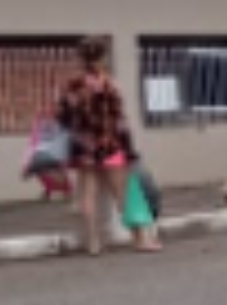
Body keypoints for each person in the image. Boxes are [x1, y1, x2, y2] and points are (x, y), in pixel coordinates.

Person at [55, 38, 160, 257]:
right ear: (102, 57)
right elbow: (119, 119)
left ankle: (93, 243)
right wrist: (129, 149)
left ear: (80, 57)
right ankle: (140, 239)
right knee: (123, 194)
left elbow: (61, 117)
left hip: (84, 147)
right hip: (110, 145)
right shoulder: (108, 85)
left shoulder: (70, 86)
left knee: (88, 195)